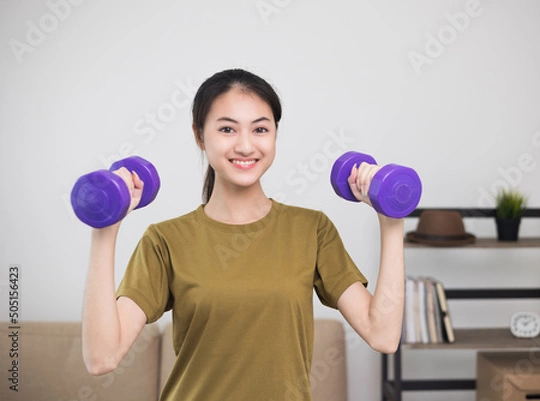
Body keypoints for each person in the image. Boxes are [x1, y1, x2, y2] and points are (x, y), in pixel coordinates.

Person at [82, 69, 406, 400]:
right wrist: (105, 230)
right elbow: (101, 358)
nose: (246, 145)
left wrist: (391, 220)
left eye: (260, 129)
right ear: (200, 136)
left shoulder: (312, 230)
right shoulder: (165, 240)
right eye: (227, 129)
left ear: (275, 134)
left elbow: (383, 336)